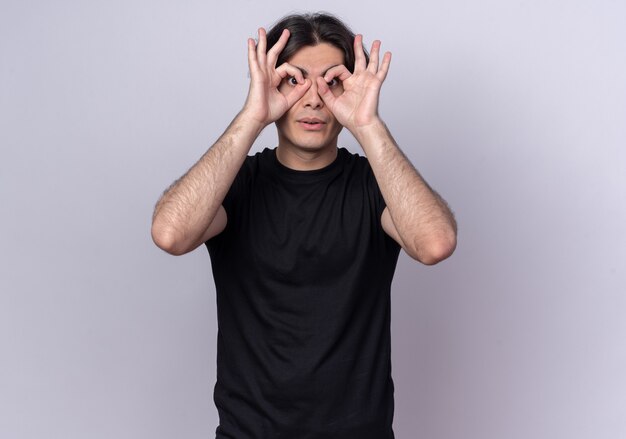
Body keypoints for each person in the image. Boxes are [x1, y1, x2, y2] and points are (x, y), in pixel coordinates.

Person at [151, 12, 457, 439]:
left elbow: (435, 243)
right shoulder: (237, 186)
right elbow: (171, 234)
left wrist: (368, 126)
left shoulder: (377, 188)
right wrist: (251, 116)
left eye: (331, 81)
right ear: (270, 83)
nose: (314, 99)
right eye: (295, 80)